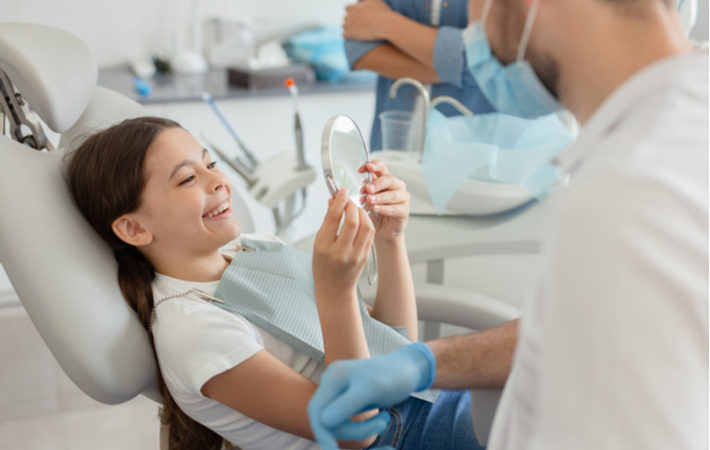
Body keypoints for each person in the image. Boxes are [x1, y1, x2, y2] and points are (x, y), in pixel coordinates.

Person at [309, 0, 709, 449]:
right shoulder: (679, 128)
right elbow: (597, 325)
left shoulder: (623, 195)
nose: (470, 28)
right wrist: (429, 361)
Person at [63, 117, 484, 450]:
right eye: (187, 179)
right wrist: (334, 293)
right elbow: (354, 433)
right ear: (134, 228)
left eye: (210, 164)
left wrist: (390, 239)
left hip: (420, 399)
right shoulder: (193, 331)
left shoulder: (255, 248)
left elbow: (391, 345)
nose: (219, 181)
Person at [343, 0, 495, 151]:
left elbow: (492, 60)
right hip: (391, 147)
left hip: (474, 150)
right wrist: (458, 67)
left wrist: (384, 22)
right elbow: (358, 47)